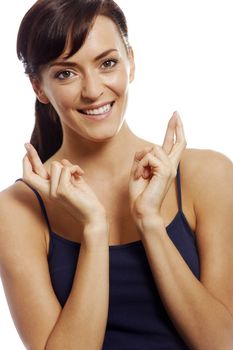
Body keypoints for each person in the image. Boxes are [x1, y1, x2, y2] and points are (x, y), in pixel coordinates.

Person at [0, 0, 232, 349]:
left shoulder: (208, 175)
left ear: (131, 63)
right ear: (38, 87)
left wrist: (150, 222)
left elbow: (222, 343)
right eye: (66, 73)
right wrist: (94, 228)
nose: (93, 90)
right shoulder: (17, 209)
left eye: (107, 63)